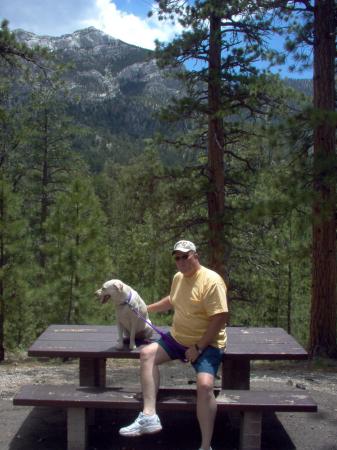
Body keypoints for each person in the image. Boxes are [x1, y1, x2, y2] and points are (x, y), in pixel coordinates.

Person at [119, 240, 229, 450]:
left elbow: (220, 318)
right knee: (146, 354)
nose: (181, 261)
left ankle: (206, 446)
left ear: (195, 255)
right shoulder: (178, 278)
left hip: (207, 342)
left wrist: (198, 348)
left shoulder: (211, 281)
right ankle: (149, 416)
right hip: (177, 338)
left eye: (185, 256)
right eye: (177, 257)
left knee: (205, 385)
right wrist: (145, 309)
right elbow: (172, 299)